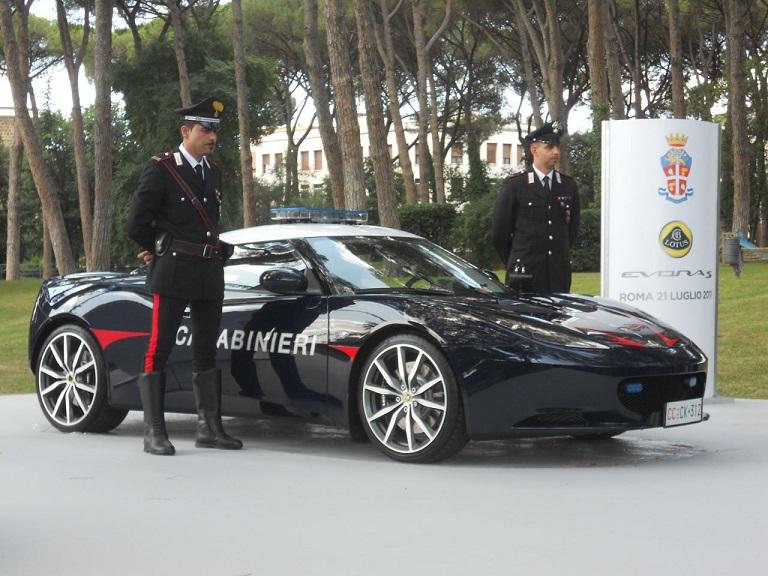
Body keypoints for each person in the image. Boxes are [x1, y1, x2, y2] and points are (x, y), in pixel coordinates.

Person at [126, 96, 242, 455]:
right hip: (174, 270)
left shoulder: (213, 171)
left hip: (208, 271)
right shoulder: (162, 167)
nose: (212, 136)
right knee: (159, 348)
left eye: (215, 130)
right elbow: (135, 223)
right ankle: (154, 432)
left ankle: (209, 429)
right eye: (206, 129)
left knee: (206, 351)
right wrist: (158, 246)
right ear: (186, 131)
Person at [491, 121, 580, 293]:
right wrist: (517, 258)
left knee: (557, 319)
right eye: (549, 147)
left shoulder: (568, 185)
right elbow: (499, 232)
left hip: (557, 273)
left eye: (557, 147)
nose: (556, 152)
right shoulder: (515, 184)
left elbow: (572, 230)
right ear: (534, 150)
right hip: (525, 273)